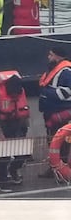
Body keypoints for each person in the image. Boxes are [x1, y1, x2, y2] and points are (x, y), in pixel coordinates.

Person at [0, 71, 29, 187]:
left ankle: (14, 169)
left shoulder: (21, 93)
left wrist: (24, 130)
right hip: (0, 128)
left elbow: (24, 112)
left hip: (16, 128)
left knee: (22, 155)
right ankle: (2, 181)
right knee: (3, 156)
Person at [38, 46, 71, 177]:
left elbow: (67, 92)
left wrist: (46, 93)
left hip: (61, 115)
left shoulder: (66, 72)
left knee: (63, 142)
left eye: (51, 55)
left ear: (58, 56)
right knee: (52, 142)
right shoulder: (53, 70)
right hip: (50, 114)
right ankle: (54, 167)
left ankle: (62, 169)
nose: (48, 57)